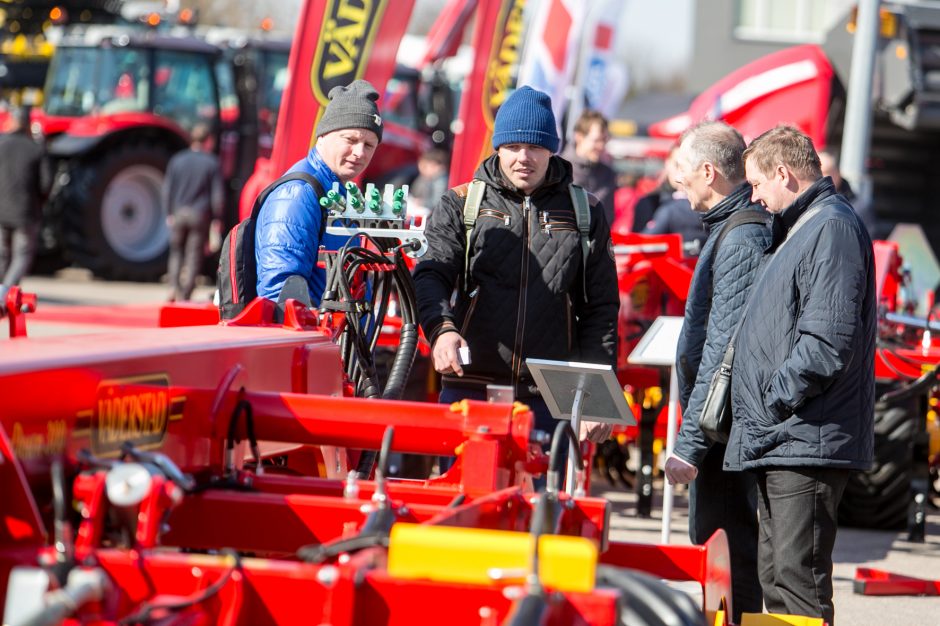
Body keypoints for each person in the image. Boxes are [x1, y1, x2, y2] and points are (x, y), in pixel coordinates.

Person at [413, 85, 618, 449]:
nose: (523, 157)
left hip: (552, 398)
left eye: (535, 147)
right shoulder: (459, 204)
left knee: (542, 505)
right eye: (513, 147)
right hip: (469, 389)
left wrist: (597, 400)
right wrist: (441, 330)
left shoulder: (585, 211)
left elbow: (600, 309)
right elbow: (431, 275)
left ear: (551, 149)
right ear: (499, 147)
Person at [733, 125, 875, 625]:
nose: (754, 197)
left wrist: (772, 402)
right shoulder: (805, 224)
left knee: (797, 581)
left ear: (783, 173)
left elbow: (826, 341)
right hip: (788, 435)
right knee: (776, 576)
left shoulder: (830, 227)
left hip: (804, 434)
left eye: (756, 185)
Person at [662, 121, 770, 623]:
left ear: (708, 171)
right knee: (721, 554)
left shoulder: (741, 237)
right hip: (720, 430)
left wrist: (689, 445)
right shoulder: (732, 230)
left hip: (724, 436)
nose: (676, 185)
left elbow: (721, 353)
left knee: (728, 555)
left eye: (683, 172)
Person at [255, 79, 382, 306]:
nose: (359, 152)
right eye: (350, 140)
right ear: (323, 136)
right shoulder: (298, 194)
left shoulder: (335, 189)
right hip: (313, 338)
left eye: (369, 145)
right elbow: (281, 294)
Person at [162, 123, 224, 301]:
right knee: (193, 255)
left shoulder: (177, 160)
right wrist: (217, 219)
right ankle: (186, 293)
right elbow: (217, 195)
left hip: (179, 213)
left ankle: (173, 287)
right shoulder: (211, 163)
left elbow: (168, 189)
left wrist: (169, 213)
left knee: (176, 252)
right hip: (200, 215)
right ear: (208, 141)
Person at [0, 106, 45, 310]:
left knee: (2, 254)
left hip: (1, 211)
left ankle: (2, 291)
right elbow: (46, 184)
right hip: (25, 212)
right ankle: (5, 294)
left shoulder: (1, 144)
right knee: (22, 255)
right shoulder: (35, 149)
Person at [564, 110, 618, 226]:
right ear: (579, 136)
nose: (601, 146)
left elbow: (608, 217)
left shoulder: (608, 174)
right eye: (597, 140)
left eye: (604, 140)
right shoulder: (560, 170)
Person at [818, 148, 876, 236]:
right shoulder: (806, 204)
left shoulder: (859, 208)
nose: (820, 177)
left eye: (825, 172)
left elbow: (870, 243)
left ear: (838, 172)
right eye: (816, 172)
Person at [409, 147, 450, 213]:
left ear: (436, 166)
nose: (422, 170)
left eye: (425, 167)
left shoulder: (441, 181)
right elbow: (415, 192)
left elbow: (436, 202)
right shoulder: (427, 178)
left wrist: (421, 203)